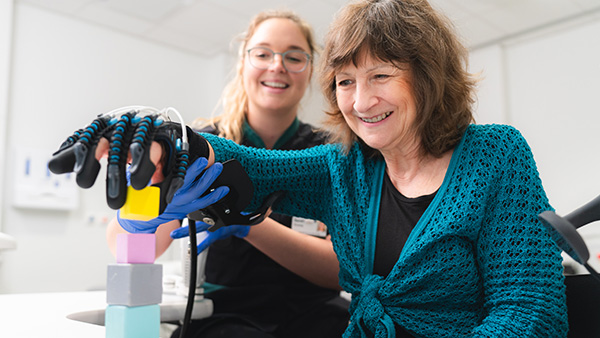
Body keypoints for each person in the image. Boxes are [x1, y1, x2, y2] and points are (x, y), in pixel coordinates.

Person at [99, 0, 567, 337]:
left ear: (428, 76)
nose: (361, 101)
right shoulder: (345, 164)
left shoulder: (496, 155)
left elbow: (529, 314)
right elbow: (256, 166)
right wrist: (164, 140)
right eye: (346, 82)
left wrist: (246, 224)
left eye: (381, 75)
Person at [106, 9, 350, 338]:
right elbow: (132, 245)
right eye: (263, 53)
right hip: (223, 314)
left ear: (310, 71)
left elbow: (341, 270)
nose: (277, 65)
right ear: (242, 64)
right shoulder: (198, 144)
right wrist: (139, 203)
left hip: (315, 314)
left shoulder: (331, 153)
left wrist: (248, 224)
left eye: (294, 57)